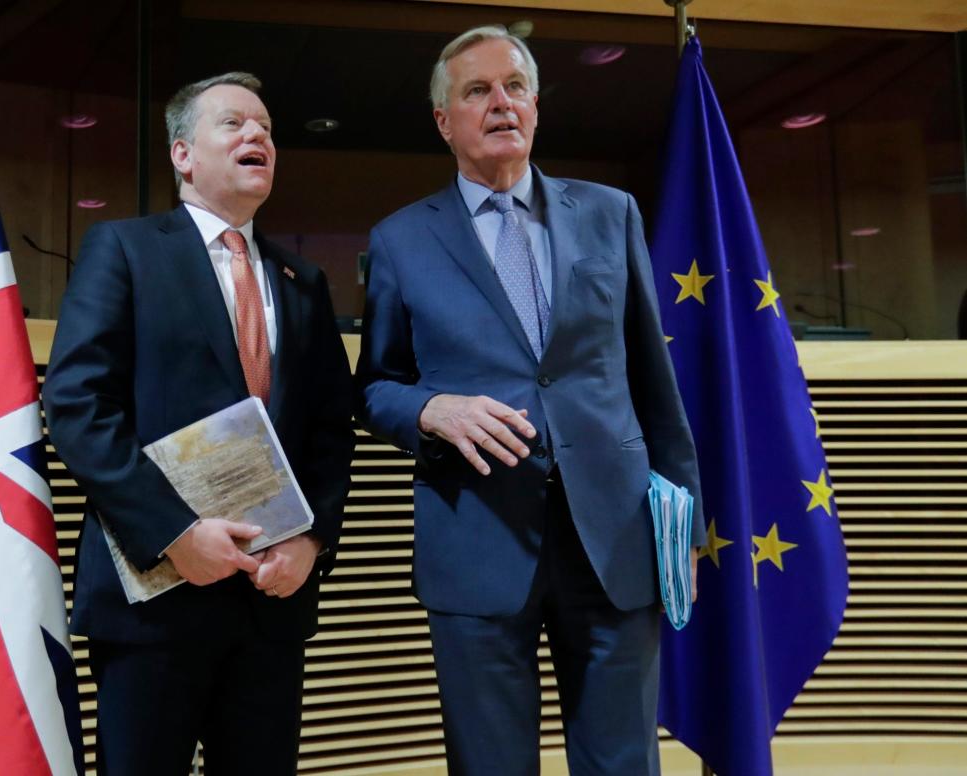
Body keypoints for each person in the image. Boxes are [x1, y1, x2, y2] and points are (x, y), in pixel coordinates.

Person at [355, 26, 704, 776]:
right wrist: (429, 411)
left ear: (537, 107)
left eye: (514, 86)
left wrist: (685, 529)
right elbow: (374, 385)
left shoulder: (610, 214)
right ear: (445, 121)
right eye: (476, 91)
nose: (500, 103)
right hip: (477, 541)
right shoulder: (398, 241)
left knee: (622, 763)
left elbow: (653, 382)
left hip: (614, 538)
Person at [43, 71, 354, 775]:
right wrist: (175, 535)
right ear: (183, 154)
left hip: (271, 601)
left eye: (268, 130)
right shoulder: (122, 249)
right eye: (235, 124)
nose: (258, 137)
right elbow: (76, 406)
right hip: (156, 599)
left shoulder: (303, 282)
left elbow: (332, 430)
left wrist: (312, 541)